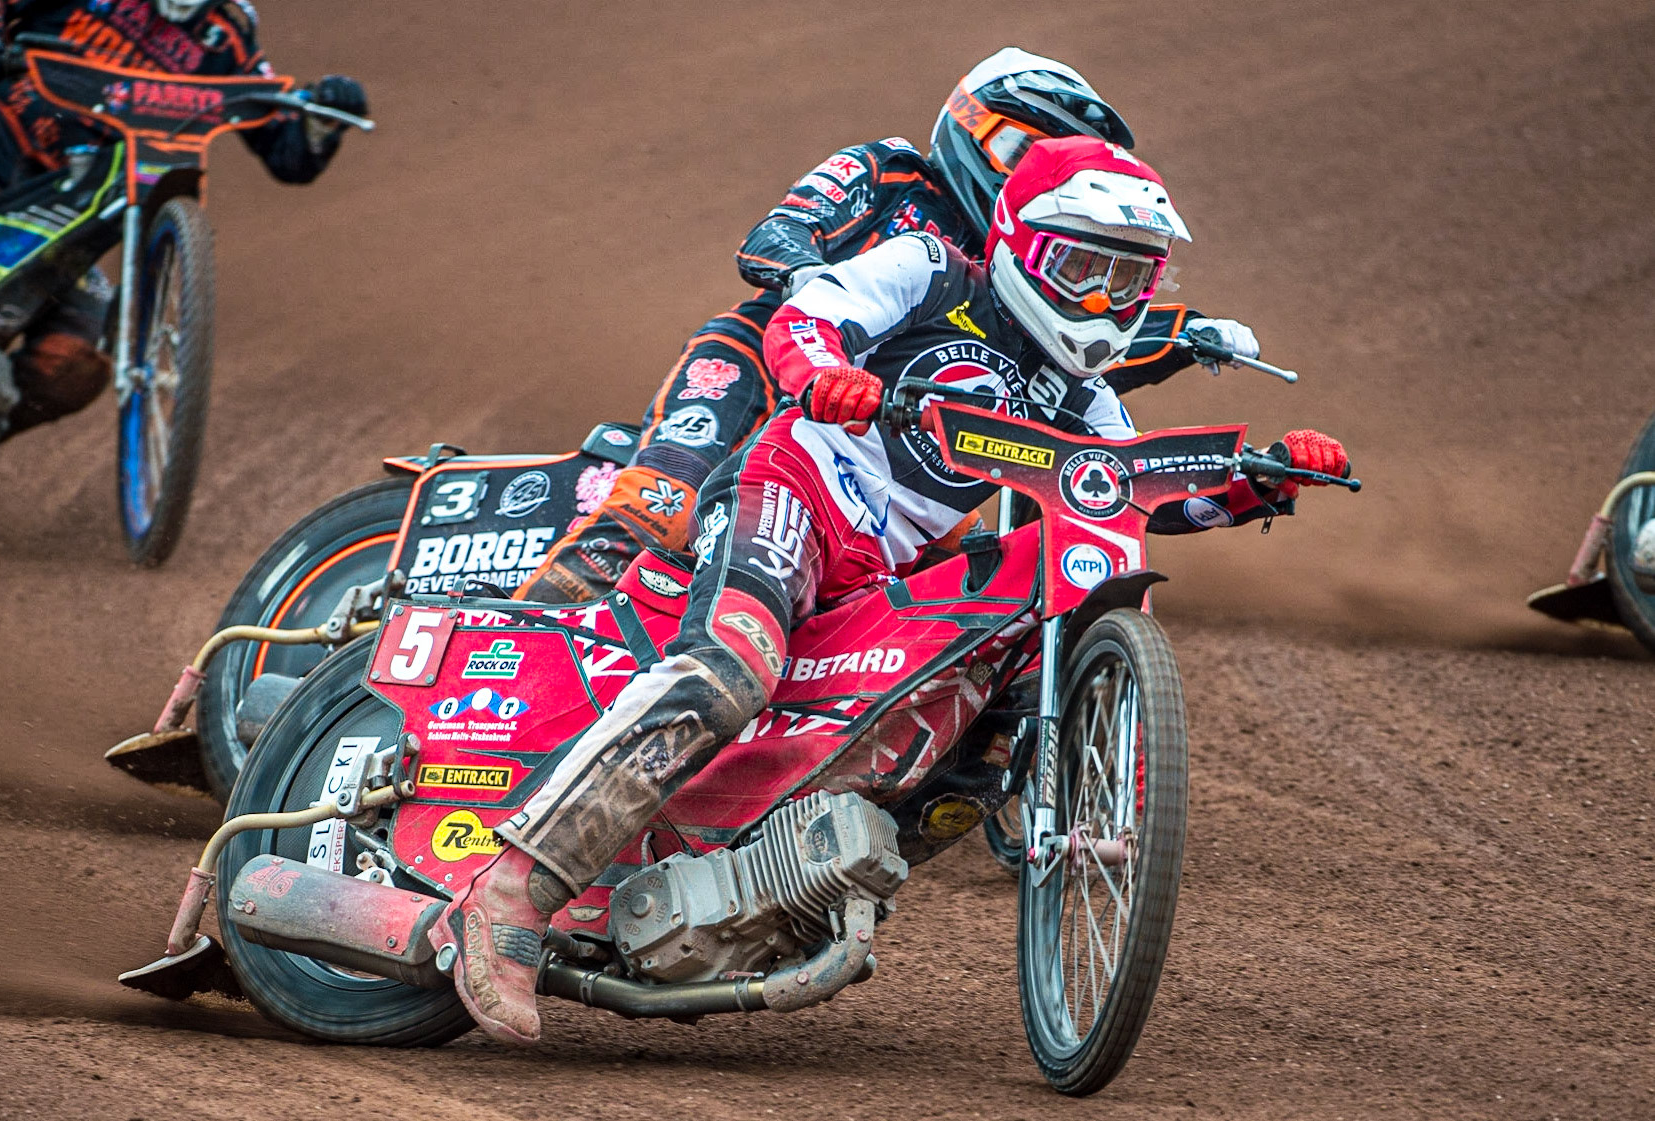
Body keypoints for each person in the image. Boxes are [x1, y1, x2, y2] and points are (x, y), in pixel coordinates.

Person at [432, 135, 1352, 1044]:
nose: (1102, 300)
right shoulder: (931, 270)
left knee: (954, 755)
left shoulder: (1082, 396)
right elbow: (807, 315)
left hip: (885, 570)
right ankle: (510, 890)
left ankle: (767, 889)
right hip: (790, 490)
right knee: (731, 668)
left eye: (1126, 278)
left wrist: (1253, 487)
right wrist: (817, 373)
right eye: (1080, 266)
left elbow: (1127, 500)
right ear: (1022, 244)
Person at [516, 46, 1258, 603]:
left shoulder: (1025, 254)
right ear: (974, 129)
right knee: (663, 499)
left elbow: (1078, 352)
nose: (1029, 172)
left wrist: (1186, 332)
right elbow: (775, 234)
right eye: (1021, 150)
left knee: (960, 577)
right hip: (764, 357)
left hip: (889, 436)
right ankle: (520, 636)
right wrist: (815, 287)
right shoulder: (890, 170)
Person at [0, 0, 367, 469]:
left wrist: (322, 120)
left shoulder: (225, 37)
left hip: (74, 203)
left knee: (77, 357)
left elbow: (288, 155)